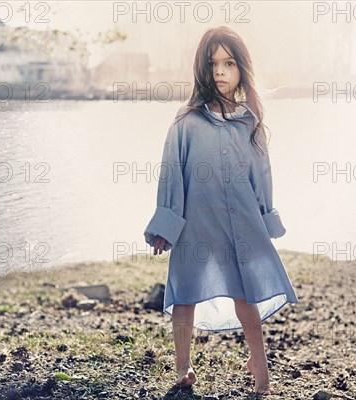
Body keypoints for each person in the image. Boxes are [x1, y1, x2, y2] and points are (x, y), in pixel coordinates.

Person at [143, 26, 298, 396]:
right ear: (202, 68)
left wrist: (266, 216)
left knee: (248, 297)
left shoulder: (249, 121)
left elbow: (261, 172)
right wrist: (167, 222)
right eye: (213, 64)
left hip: (240, 223)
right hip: (196, 224)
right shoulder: (187, 120)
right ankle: (184, 366)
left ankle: (259, 367)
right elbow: (171, 171)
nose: (220, 72)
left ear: (241, 67)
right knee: (184, 295)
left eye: (228, 63)